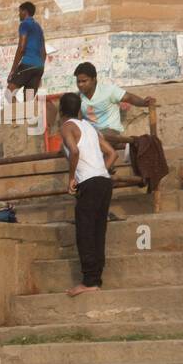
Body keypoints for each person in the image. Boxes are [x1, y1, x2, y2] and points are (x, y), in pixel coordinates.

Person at [58, 92, 118, 297]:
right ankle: (95, 279)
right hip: (104, 181)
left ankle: (89, 281)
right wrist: (100, 170)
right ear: (79, 109)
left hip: (89, 183)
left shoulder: (67, 126)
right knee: (98, 231)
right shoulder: (90, 128)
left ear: (61, 111)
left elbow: (74, 152)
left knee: (85, 232)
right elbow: (112, 153)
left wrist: (71, 179)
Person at [74, 61, 156, 151]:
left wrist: (144, 102)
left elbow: (130, 98)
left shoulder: (109, 91)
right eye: (78, 81)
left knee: (96, 143)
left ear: (94, 79)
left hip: (110, 131)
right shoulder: (78, 97)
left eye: (84, 81)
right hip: (91, 134)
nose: (80, 85)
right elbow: (78, 120)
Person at [6, 1, 46, 101]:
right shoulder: (38, 27)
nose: (19, 14)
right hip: (39, 67)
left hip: (27, 64)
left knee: (9, 93)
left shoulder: (24, 25)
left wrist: (13, 69)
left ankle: (21, 114)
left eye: (20, 12)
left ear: (25, 12)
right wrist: (40, 67)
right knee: (28, 101)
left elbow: (21, 48)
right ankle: (25, 115)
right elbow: (44, 52)